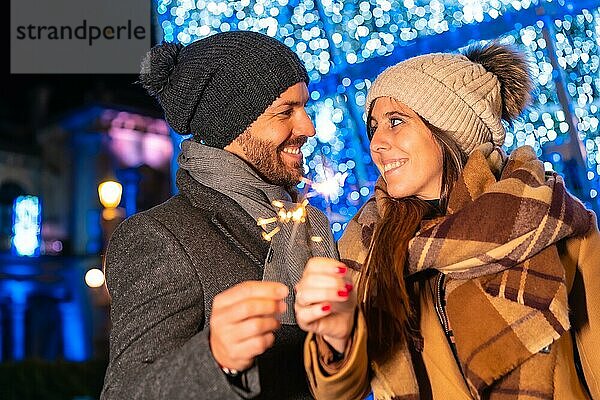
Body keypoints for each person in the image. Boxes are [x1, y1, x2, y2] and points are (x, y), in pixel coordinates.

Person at [295, 42, 600, 399]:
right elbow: (337, 393)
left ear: (450, 131)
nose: (376, 142)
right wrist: (337, 336)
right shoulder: (367, 244)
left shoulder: (549, 218)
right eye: (374, 127)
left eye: (396, 122)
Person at [100, 31, 338, 400]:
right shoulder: (159, 235)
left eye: (305, 107)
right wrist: (216, 358)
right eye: (285, 111)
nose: (308, 127)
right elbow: (125, 392)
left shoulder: (311, 226)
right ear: (232, 125)